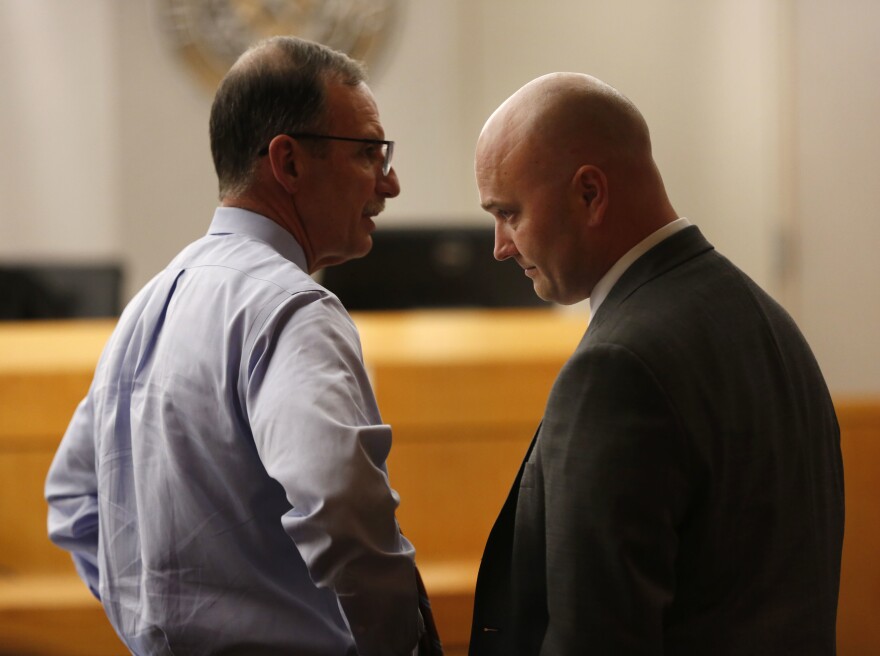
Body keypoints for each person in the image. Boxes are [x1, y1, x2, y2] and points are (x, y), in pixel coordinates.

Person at [45, 36, 441, 656]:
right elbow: (343, 510)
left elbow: (71, 500)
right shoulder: (292, 309)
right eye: (369, 152)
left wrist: (154, 626)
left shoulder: (147, 306)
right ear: (287, 163)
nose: (390, 183)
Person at [468, 72, 844, 655]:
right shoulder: (767, 319)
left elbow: (596, 638)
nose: (500, 245)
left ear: (590, 194)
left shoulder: (616, 367)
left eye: (509, 213)